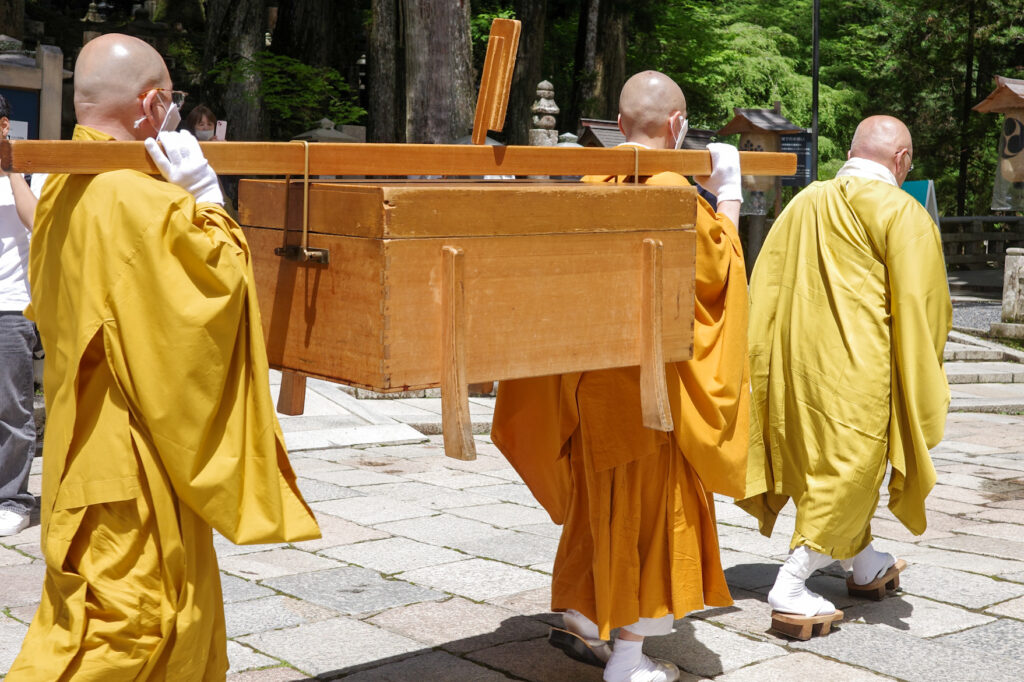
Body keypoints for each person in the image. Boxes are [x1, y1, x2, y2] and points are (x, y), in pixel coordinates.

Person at [7, 33, 320, 680]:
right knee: (126, 627)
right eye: (172, 101)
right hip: (126, 459)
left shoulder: (63, 183)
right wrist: (205, 196)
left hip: (80, 445)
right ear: (152, 105)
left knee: (119, 614)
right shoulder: (139, 199)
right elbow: (216, 295)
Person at [492, 71, 749, 682]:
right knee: (645, 518)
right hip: (651, 397)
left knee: (597, 509)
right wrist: (729, 194)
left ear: (618, 121)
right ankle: (628, 661)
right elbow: (721, 279)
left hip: (588, 387)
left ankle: (585, 614)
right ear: (676, 126)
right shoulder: (673, 193)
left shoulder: (588, 184)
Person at [738, 115, 951, 635]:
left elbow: (765, 280)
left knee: (818, 462)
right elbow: (925, 307)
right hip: (857, 369)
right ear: (902, 161)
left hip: (796, 366)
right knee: (851, 466)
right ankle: (791, 582)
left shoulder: (805, 201)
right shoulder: (902, 211)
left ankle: (863, 560)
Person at [0, 95, 46, 537]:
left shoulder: (32, 174)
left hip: (11, 306)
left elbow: (39, 222)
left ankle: (13, 498)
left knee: (11, 409)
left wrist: (12, 167)